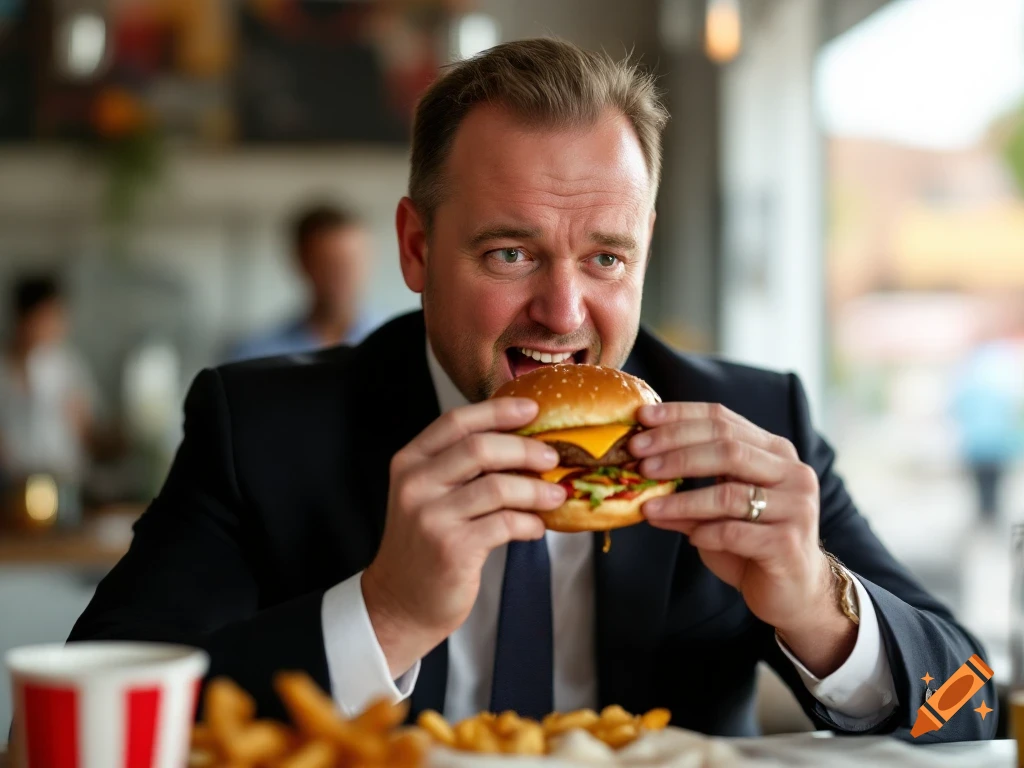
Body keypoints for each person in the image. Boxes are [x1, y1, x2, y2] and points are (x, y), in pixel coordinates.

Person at [68, 39, 995, 741]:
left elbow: (974, 708)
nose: (563, 310)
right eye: (510, 253)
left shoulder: (750, 424)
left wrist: (816, 601)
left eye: (605, 257)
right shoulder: (261, 428)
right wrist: (385, 611)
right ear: (417, 249)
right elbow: (86, 719)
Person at [227, 203, 379, 361]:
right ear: (301, 262)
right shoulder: (254, 355)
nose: (343, 274)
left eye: (351, 261)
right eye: (329, 263)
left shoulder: (398, 348)